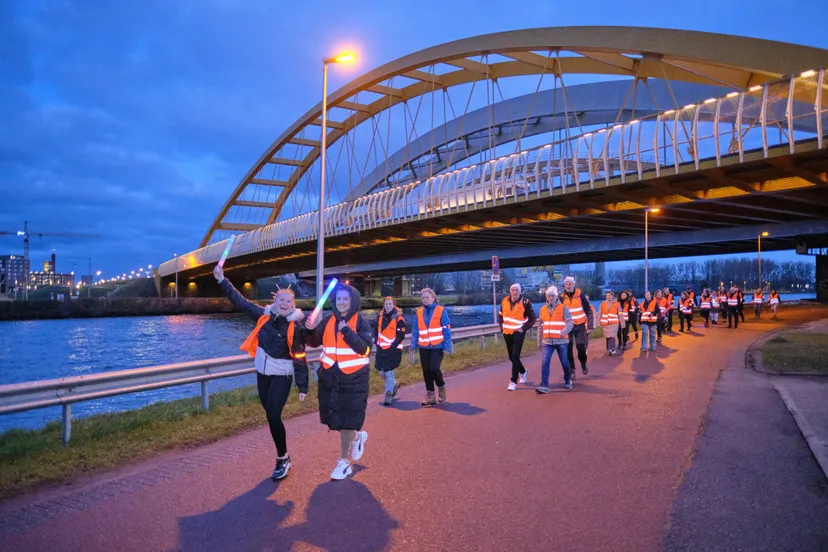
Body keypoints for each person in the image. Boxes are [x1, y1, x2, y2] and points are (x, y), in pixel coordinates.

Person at [213, 264, 308, 481]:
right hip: (262, 374)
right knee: (270, 415)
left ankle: (282, 458)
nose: (284, 303)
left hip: (282, 375)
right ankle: (284, 455)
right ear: (274, 302)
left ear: (293, 306)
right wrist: (222, 280)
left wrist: (302, 386)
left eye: (288, 301)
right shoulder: (263, 317)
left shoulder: (296, 327)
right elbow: (241, 302)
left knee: (274, 414)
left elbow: (301, 357)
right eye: (281, 300)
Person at [305, 283, 372, 481]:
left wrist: (347, 332)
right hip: (330, 378)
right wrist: (309, 330)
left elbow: (366, 349)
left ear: (352, 302)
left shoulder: (361, 322)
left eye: (346, 299)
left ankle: (344, 462)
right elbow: (314, 342)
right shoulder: (328, 320)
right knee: (334, 420)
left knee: (346, 420)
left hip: (354, 379)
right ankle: (358, 438)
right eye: (339, 299)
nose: (342, 302)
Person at [411, 288, 452, 406]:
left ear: (433, 298)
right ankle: (431, 396)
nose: (425, 299)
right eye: (423, 297)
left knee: (434, 369)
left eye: (427, 297)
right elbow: (415, 330)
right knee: (426, 371)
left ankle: (441, 386)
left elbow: (446, 329)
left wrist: (447, 345)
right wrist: (413, 344)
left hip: (437, 346)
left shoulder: (441, 310)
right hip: (423, 346)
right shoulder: (419, 312)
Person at [536, 286, 574, 393]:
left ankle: (567, 380)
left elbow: (570, 322)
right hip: (547, 341)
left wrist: (564, 331)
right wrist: (539, 340)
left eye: (552, 295)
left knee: (564, 362)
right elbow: (540, 325)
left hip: (561, 341)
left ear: (556, 296)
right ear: (546, 297)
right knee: (545, 362)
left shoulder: (563, 308)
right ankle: (544, 385)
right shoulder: (542, 309)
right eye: (548, 296)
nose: (550, 297)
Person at [500, 283, 537, 391]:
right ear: (510, 291)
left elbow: (533, 318)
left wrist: (523, 329)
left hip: (518, 332)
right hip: (507, 332)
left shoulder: (525, 302)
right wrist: (501, 327)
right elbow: (500, 315)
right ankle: (523, 371)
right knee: (511, 357)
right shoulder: (504, 301)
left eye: (516, 290)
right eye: (512, 290)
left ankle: (513, 381)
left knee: (515, 355)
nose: (514, 292)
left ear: (520, 291)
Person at [374, 297, 405, 406]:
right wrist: (376, 341)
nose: (388, 305)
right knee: (381, 371)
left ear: (394, 305)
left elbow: (401, 335)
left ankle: (388, 394)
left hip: (393, 350)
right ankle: (394, 384)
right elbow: (376, 330)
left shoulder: (398, 318)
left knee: (389, 371)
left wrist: (393, 346)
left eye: (390, 304)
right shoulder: (380, 317)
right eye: (386, 304)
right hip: (381, 349)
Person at [562, 276, 593, 378]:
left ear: (574, 284)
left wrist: (590, 325)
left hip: (580, 325)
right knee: (568, 348)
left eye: (569, 284)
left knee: (581, 347)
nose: (568, 286)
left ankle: (583, 363)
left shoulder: (580, 295)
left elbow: (588, 310)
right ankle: (572, 370)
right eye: (566, 284)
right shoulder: (561, 297)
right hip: (568, 326)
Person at [597, 290, 624, 355]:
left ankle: (612, 349)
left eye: (609, 295)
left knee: (612, 336)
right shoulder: (602, 304)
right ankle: (609, 349)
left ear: (612, 296)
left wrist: (622, 323)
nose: (608, 297)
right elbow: (599, 313)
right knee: (608, 336)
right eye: (606, 296)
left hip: (614, 323)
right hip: (605, 323)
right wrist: (598, 323)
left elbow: (620, 313)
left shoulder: (617, 304)